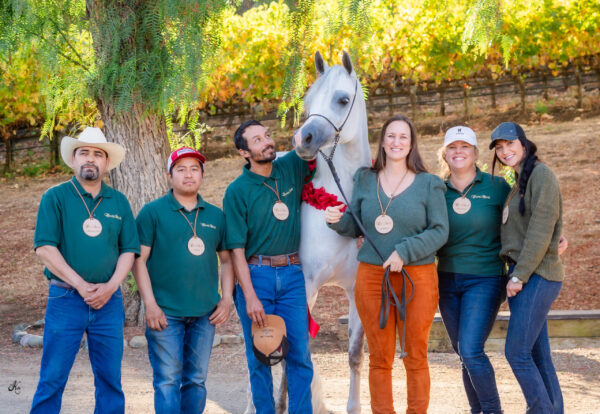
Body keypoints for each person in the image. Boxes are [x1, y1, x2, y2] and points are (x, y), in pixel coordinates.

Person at [325, 115, 449, 414]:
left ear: (411, 143)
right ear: (382, 141)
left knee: (415, 354)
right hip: (371, 277)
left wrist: (404, 251)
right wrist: (336, 221)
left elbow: (439, 230)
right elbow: (356, 224)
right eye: (390, 136)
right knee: (380, 356)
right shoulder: (365, 178)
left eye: (403, 137)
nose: (396, 142)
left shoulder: (429, 184)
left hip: (416, 277)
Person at [30, 127, 140, 414]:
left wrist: (111, 286)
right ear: (73, 159)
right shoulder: (55, 197)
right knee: (52, 378)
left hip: (108, 302)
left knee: (110, 380)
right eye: (84, 153)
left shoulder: (119, 201)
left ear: (105, 163)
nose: (90, 159)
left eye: (98, 154)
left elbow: (129, 249)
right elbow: (44, 248)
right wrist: (81, 285)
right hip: (66, 300)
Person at [133, 147, 234, 413]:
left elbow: (226, 261)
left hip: (205, 314)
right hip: (165, 313)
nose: (188, 175)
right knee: (167, 380)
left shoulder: (215, 215)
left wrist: (226, 299)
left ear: (202, 174)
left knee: (196, 380)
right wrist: (150, 305)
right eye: (181, 169)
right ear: (169, 176)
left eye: (194, 169)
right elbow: (138, 260)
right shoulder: (152, 213)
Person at [222, 120, 313, 413]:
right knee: (260, 356)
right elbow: (236, 249)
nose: (267, 142)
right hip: (257, 275)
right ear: (243, 153)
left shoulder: (291, 167)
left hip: (292, 274)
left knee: (299, 355)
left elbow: (313, 142)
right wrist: (249, 296)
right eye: (257, 140)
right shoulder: (237, 191)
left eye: (268, 136)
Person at [491, 122, 565, 413]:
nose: (505, 151)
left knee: (516, 352)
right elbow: (542, 224)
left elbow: (541, 227)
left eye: (510, 143)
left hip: (537, 276)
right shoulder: (520, 179)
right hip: (526, 274)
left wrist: (519, 275)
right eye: (499, 147)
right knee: (538, 354)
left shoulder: (541, 174)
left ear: (523, 143)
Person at [436, 126, 511, 414]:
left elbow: (522, 219)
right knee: (463, 353)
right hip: (446, 279)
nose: (458, 152)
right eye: (452, 147)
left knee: (470, 349)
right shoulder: (436, 189)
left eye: (464, 146)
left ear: (476, 153)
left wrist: (555, 236)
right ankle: (477, 409)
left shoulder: (496, 186)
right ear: (444, 153)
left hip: (485, 277)